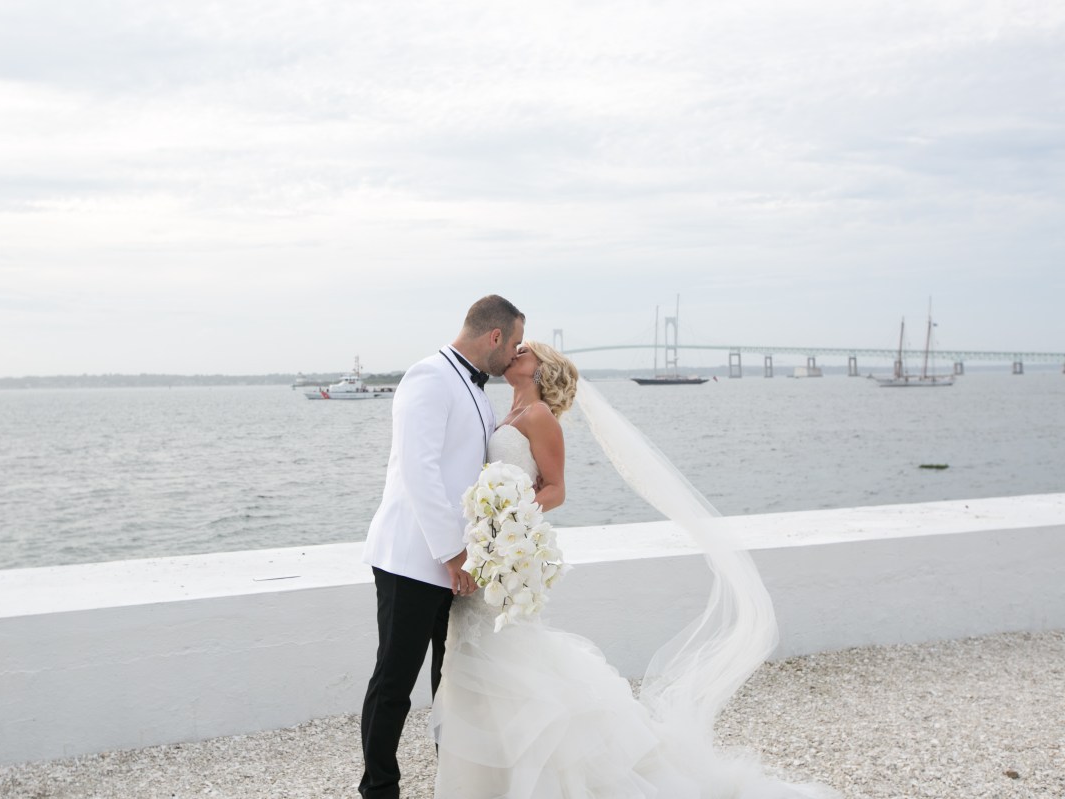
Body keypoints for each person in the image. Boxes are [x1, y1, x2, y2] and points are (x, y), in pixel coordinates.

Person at [430, 341, 840, 799]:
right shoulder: (503, 412)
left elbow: (557, 489)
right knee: (485, 664)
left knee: (512, 661)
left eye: (524, 350)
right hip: (493, 553)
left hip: (506, 548)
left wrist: (506, 516)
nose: (514, 353)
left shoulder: (540, 416)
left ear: (541, 369)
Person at [359, 295, 525, 799]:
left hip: (456, 563)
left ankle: (451, 783)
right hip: (412, 557)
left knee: (447, 683)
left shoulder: (479, 391)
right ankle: (379, 789)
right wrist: (453, 553)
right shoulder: (428, 377)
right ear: (494, 336)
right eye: (514, 343)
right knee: (394, 683)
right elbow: (420, 472)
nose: (515, 354)